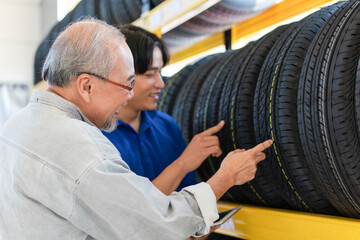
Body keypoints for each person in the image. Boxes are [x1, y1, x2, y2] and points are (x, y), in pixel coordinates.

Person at [0, 18, 272, 240]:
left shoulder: (16, 125)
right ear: (86, 86)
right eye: (127, 83)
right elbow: (153, 224)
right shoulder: (84, 151)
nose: (129, 96)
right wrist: (225, 177)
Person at [103, 25, 224, 196]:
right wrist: (184, 162)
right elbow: (131, 209)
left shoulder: (167, 126)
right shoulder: (97, 137)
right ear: (120, 75)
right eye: (150, 74)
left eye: (160, 72)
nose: (161, 84)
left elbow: (187, 195)